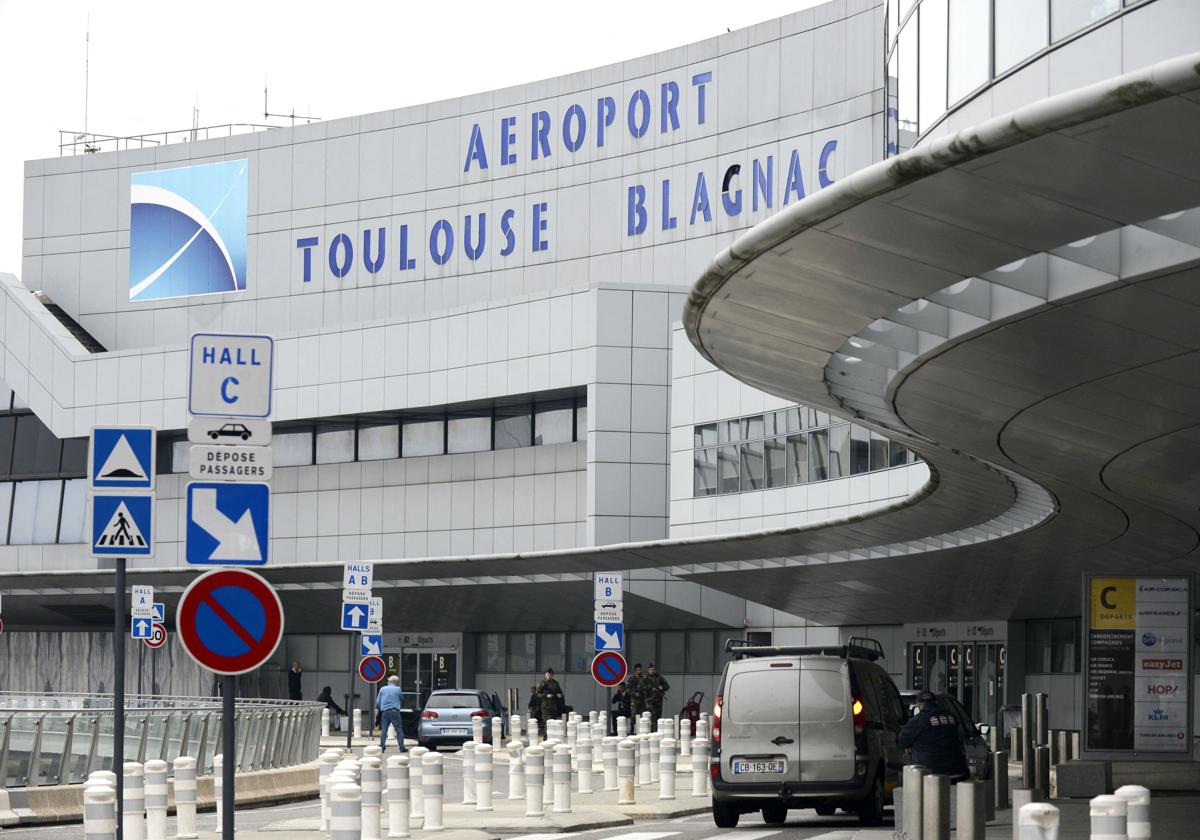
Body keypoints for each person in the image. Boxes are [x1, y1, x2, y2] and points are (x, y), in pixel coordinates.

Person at [899, 691, 969, 781]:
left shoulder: (917, 720)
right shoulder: (951, 717)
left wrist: (910, 745)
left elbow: (901, 741)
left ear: (919, 705)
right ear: (936, 702)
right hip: (957, 772)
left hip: (930, 774)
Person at [377, 675, 407, 753]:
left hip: (385, 712)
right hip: (395, 712)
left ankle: (382, 747)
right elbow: (402, 698)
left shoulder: (382, 689)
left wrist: (382, 707)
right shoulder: (398, 689)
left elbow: (378, 702)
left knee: (384, 730)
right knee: (399, 729)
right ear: (396, 682)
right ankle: (401, 747)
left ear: (389, 682)